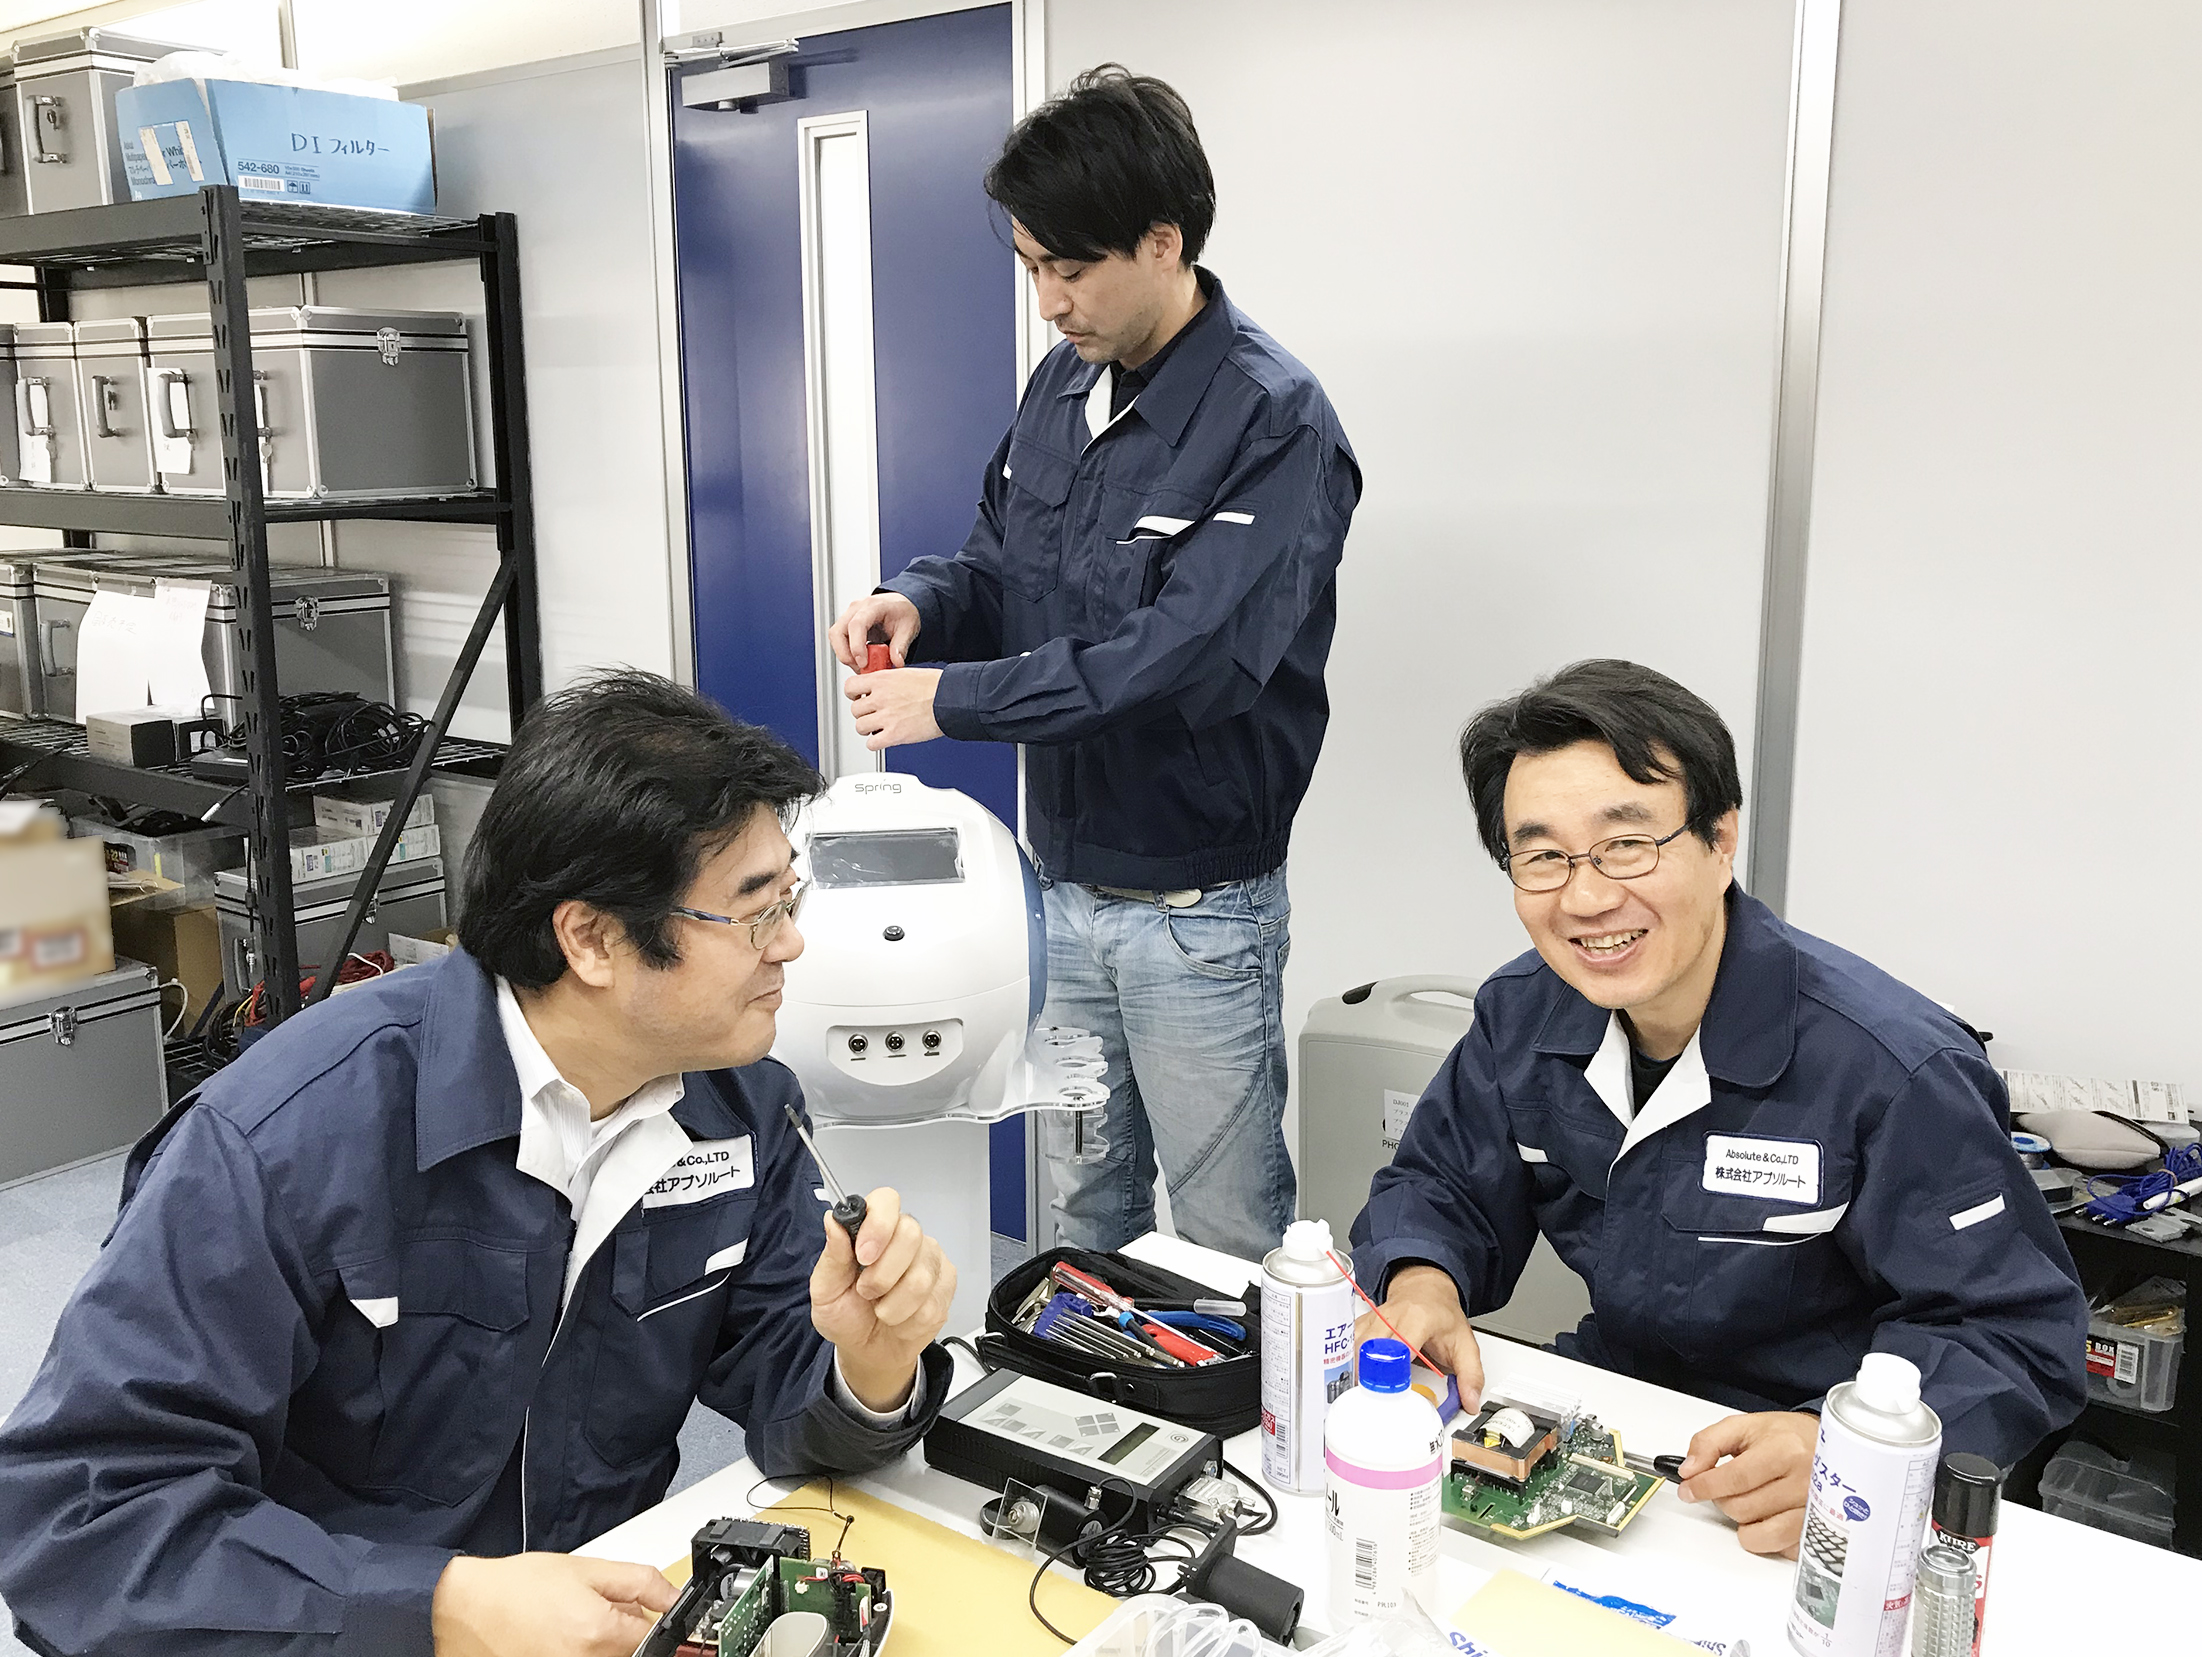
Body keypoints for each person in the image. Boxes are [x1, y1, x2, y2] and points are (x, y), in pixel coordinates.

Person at [0, 672, 956, 1657]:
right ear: (592, 938)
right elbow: (79, 1523)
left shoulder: (744, 1109)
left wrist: (871, 1365)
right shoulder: (288, 1137)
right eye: (755, 912)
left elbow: (790, 1394)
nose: (792, 943)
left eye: (790, 897)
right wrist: (441, 1606)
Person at [1350, 659, 2087, 1558]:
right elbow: (1440, 1183)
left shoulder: (1892, 1066)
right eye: (1542, 856)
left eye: (1627, 843)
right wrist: (1421, 1279)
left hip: (1811, 1492)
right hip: (1617, 1432)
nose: (1586, 897)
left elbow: (2015, 1332)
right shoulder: (1524, 1014)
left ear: (1721, 836)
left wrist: (1852, 1451)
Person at [827, 66, 1360, 1259]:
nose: (1048, 302)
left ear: (1164, 242)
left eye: (1070, 269)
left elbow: (1185, 661)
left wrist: (954, 700)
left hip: (1195, 918)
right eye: (1031, 267)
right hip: (1060, 897)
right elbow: (998, 566)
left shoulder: (1275, 418)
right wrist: (921, 605)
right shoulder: (1063, 383)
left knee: (1225, 1235)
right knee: (1084, 1216)